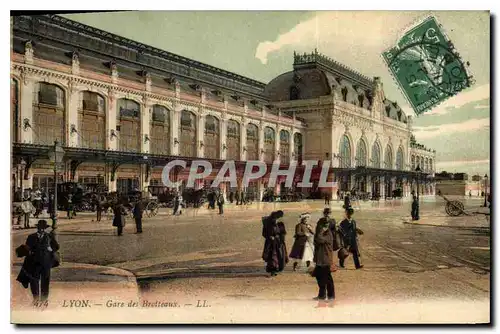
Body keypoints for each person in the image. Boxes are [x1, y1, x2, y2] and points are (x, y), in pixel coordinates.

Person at [17, 220, 60, 302]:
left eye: (44, 228)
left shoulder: (49, 236)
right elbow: (27, 248)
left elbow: (57, 246)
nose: (42, 230)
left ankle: (44, 300)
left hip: (45, 263)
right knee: (34, 281)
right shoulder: (31, 237)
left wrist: (51, 249)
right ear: (38, 228)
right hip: (34, 263)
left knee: (45, 282)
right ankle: (35, 299)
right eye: (40, 228)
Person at [313, 213, 335, 302]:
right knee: (319, 276)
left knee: (327, 278)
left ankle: (331, 296)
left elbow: (319, 239)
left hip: (325, 259)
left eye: (319, 225)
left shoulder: (328, 233)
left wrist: (321, 231)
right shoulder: (324, 233)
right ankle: (322, 295)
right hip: (320, 259)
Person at [262, 210, 287, 276]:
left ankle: (277, 269)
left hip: (279, 243)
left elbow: (283, 233)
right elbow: (264, 233)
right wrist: (270, 236)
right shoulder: (268, 224)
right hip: (270, 243)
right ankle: (273, 271)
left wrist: (280, 237)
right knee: (272, 257)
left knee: (280, 256)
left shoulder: (281, 224)